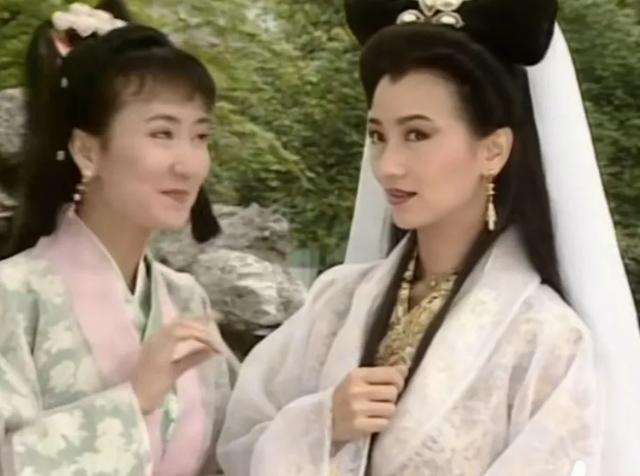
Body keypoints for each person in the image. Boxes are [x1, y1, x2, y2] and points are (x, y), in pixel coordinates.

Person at [217, 0, 640, 475]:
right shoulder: (336, 303)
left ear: (493, 150)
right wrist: (322, 424)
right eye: (378, 136)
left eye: (417, 135)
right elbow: (238, 442)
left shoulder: (545, 339)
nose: (388, 165)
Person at [0, 2, 236, 474]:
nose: (188, 164)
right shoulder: (14, 295)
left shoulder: (186, 299)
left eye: (199, 136)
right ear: (87, 151)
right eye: (162, 133)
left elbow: (232, 452)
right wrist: (135, 399)